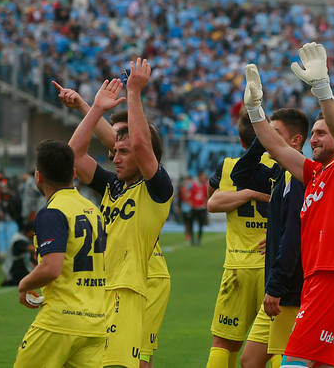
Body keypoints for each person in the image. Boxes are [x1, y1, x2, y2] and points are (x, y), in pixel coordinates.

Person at [243, 41, 334, 368]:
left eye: (320, 133)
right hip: (320, 277)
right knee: (322, 364)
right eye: (312, 133)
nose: (313, 138)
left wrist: (323, 89)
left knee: (293, 362)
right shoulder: (313, 174)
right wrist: (256, 110)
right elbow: (275, 145)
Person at [56, 81, 172, 368]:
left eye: (121, 152)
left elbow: (141, 147)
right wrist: (92, 108)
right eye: (114, 152)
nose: (113, 157)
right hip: (99, 285)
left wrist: (133, 92)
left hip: (130, 285)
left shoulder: (155, 187)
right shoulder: (113, 185)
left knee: (132, 360)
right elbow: (73, 158)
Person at [13, 140, 106, 367]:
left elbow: (52, 268)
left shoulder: (52, 212)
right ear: (74, 173)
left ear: (38, 176)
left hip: (60, 322)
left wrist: (23, 284)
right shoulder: (94, 210)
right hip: (95, 324)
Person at [230, 108, 309, 368]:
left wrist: (275, 287)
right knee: (250, 360)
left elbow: (293, 237)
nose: (267, 138)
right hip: (277, 288)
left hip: (288, 290)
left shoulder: (297, 179)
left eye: (275, 134)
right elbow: (239, 176)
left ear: (296, 141)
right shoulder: (280, 173)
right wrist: (261, 141)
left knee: (287, 360)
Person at [205, 110, 273, 368]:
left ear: (241, 139)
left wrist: (243, 193)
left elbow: (210, 199)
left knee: (224, 342)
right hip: (272, 269)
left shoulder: (227, 167)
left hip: (238, 266)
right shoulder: (283, 166)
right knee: (276, 344)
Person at [1, 220, 35, 286]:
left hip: (22, 267)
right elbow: (33, 249)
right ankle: (11, 281)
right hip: (13, 269)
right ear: (30, 231)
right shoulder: (18, 239)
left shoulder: (24, 237)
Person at [191, 172, 209, 246]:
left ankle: (199, 239)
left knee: (200, 225)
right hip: (194, 208)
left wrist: (206, 202)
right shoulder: (194, 185)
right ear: (199, 177)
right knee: (191, 224)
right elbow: (191, 195)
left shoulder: (205, 186)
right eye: (202, 176)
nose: (204, 178)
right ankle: (192, 239)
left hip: (202, 208)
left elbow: (206, 196)